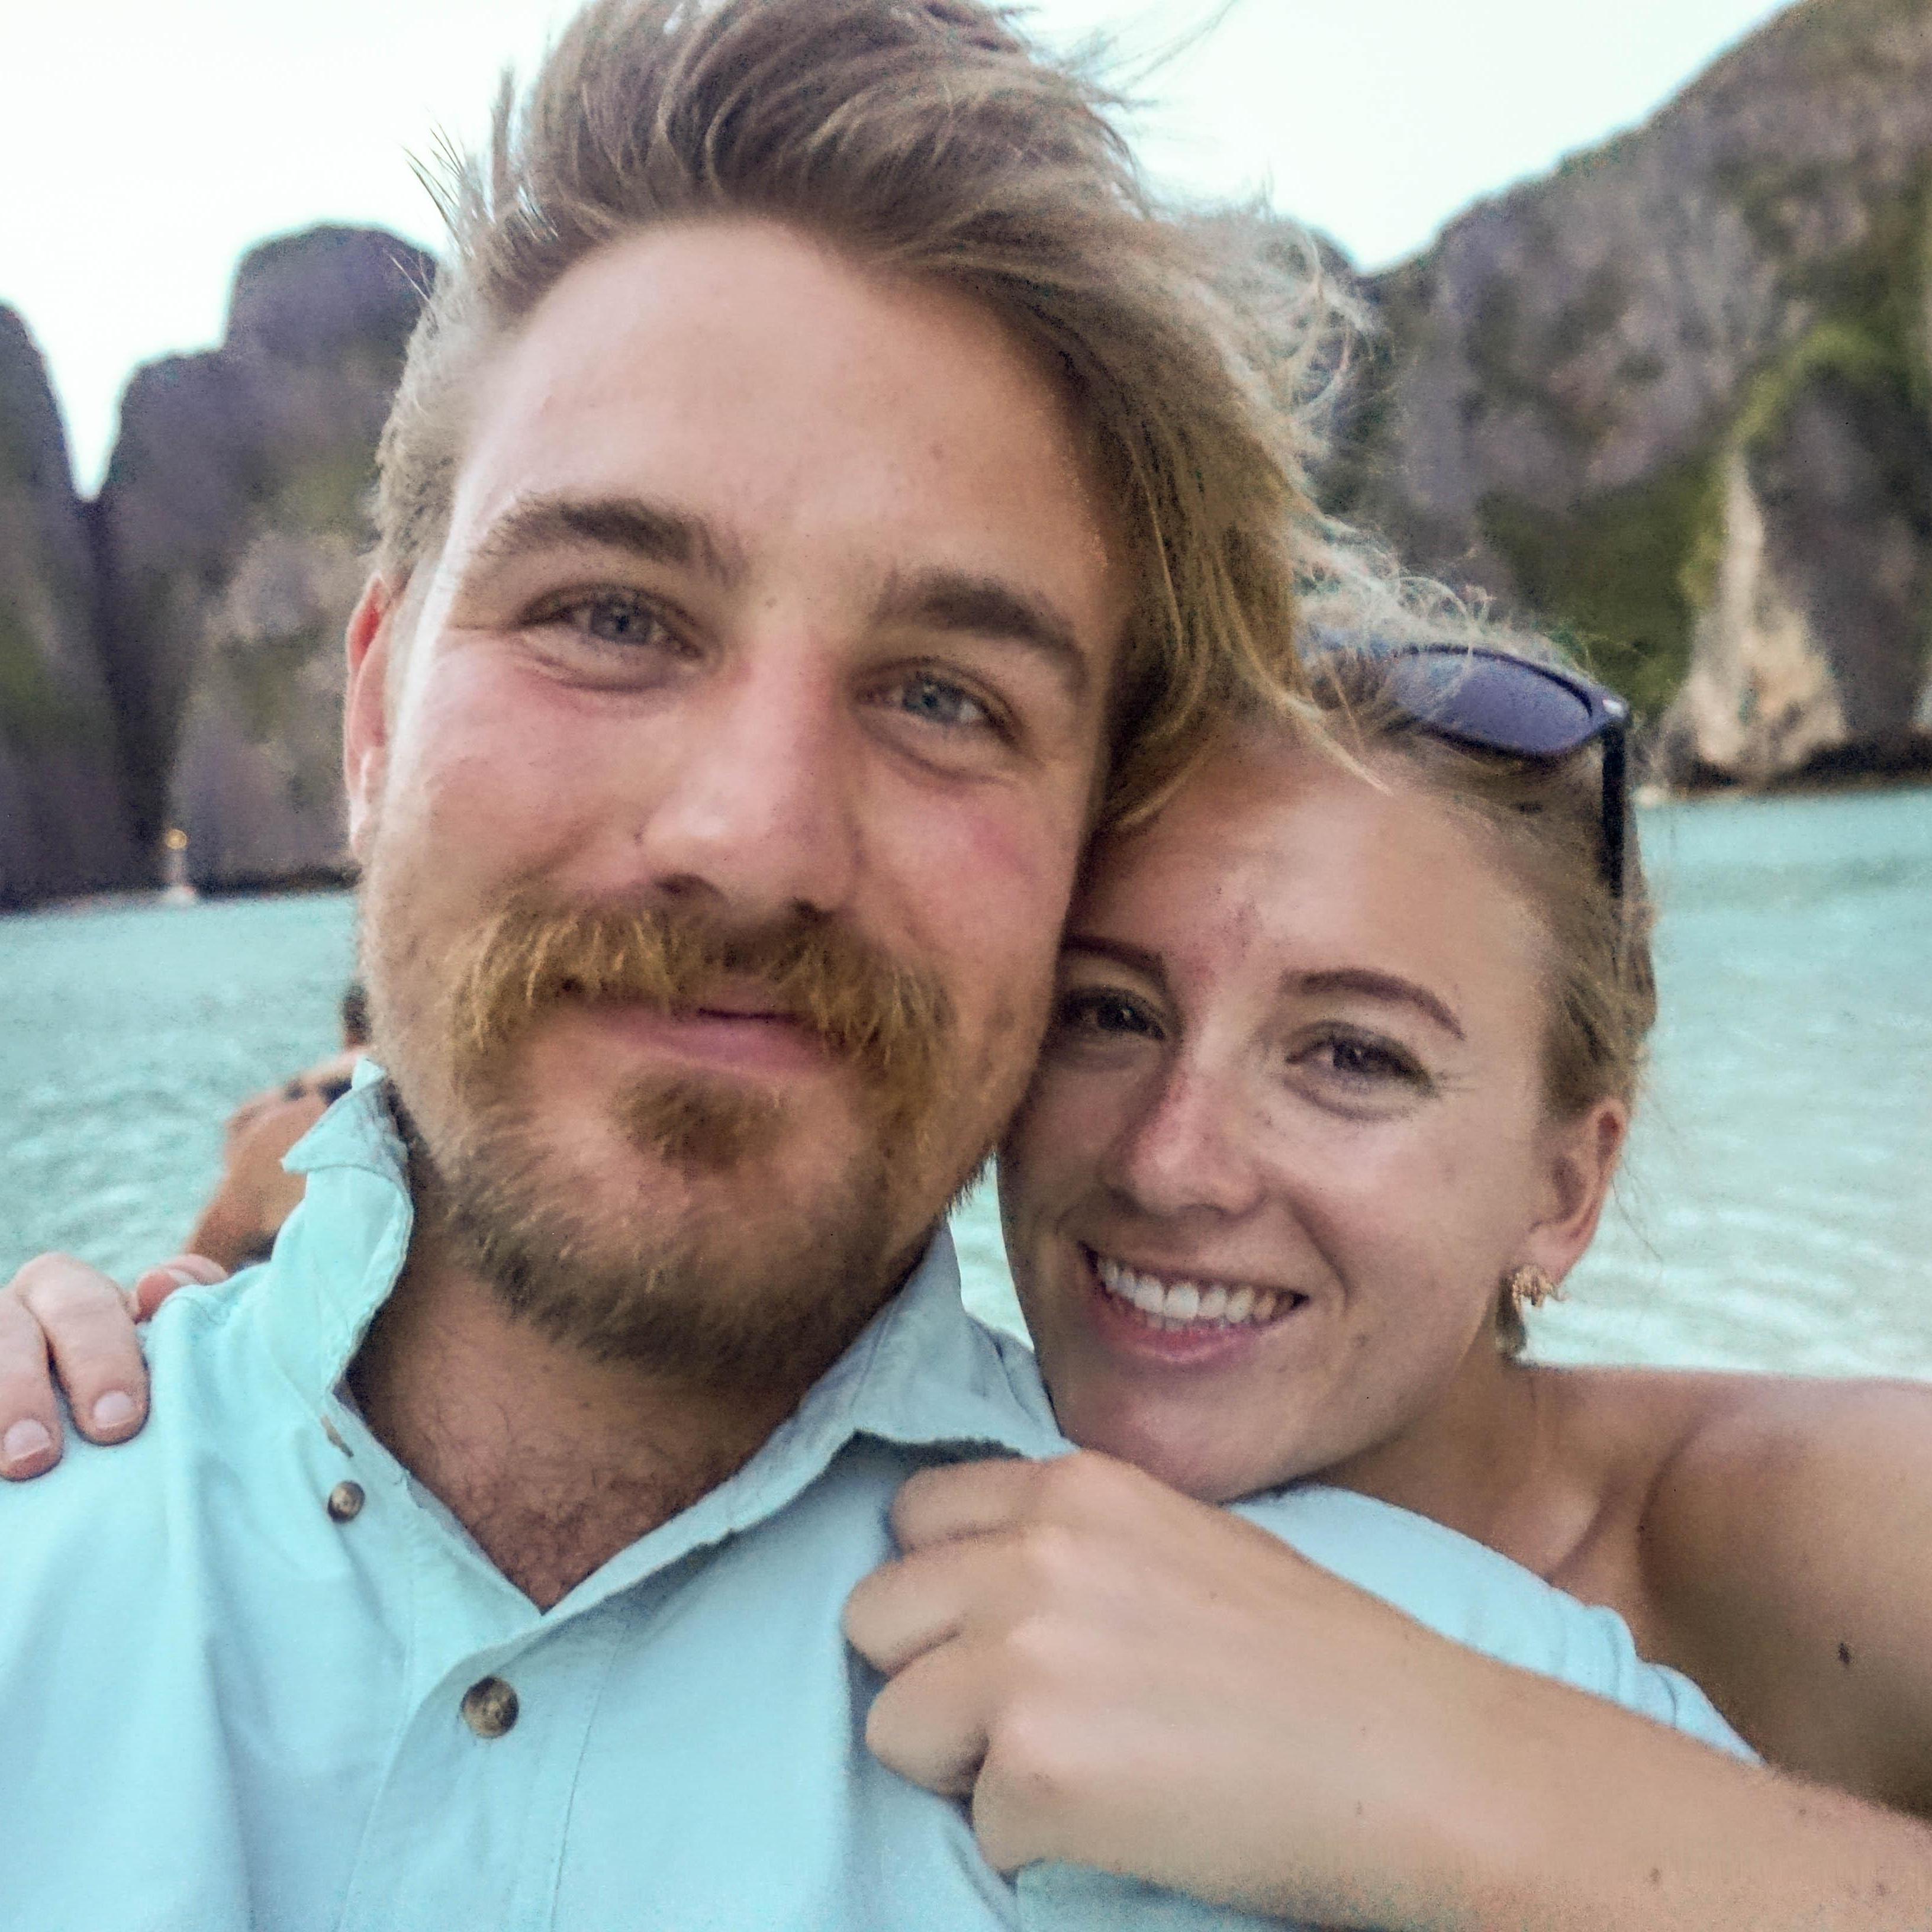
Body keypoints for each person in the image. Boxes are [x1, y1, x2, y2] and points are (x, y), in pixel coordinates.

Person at [0, 1, 1327, 1925]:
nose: (755, 838)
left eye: (946, 693)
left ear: (1087, 839)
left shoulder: (1355, 1732)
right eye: (612, 613)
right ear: (370, 717)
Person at [14, 617, 1932, 1928]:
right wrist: (205, 1317)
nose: (1176, 1162)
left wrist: (1455, 1752)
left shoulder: (1812, 1526)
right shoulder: (937, 1506)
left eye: (1353, 1053)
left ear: (1565, 1188)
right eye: (1103, 1011)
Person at [185, 982, 371, 1271]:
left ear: (347, 1032)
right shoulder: (417, 1091)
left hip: (285, 1270)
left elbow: (206, 1254)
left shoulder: (283, 1108)